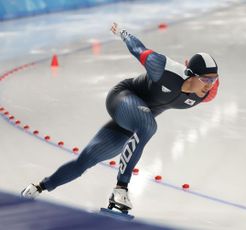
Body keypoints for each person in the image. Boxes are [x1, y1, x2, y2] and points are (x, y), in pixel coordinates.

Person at [21, 22, 220, 212]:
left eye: (213, 80)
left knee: (85, 161)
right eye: (205, 79)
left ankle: (37, 187)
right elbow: (138, 49)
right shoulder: (163, 69)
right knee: (149, 125)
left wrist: (210, 85)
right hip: (122, 98)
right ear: (189, 73)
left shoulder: (206, 94)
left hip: (134, 121)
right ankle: (121, 189)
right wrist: (122, 32)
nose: (208, 85)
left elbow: (208, 88)